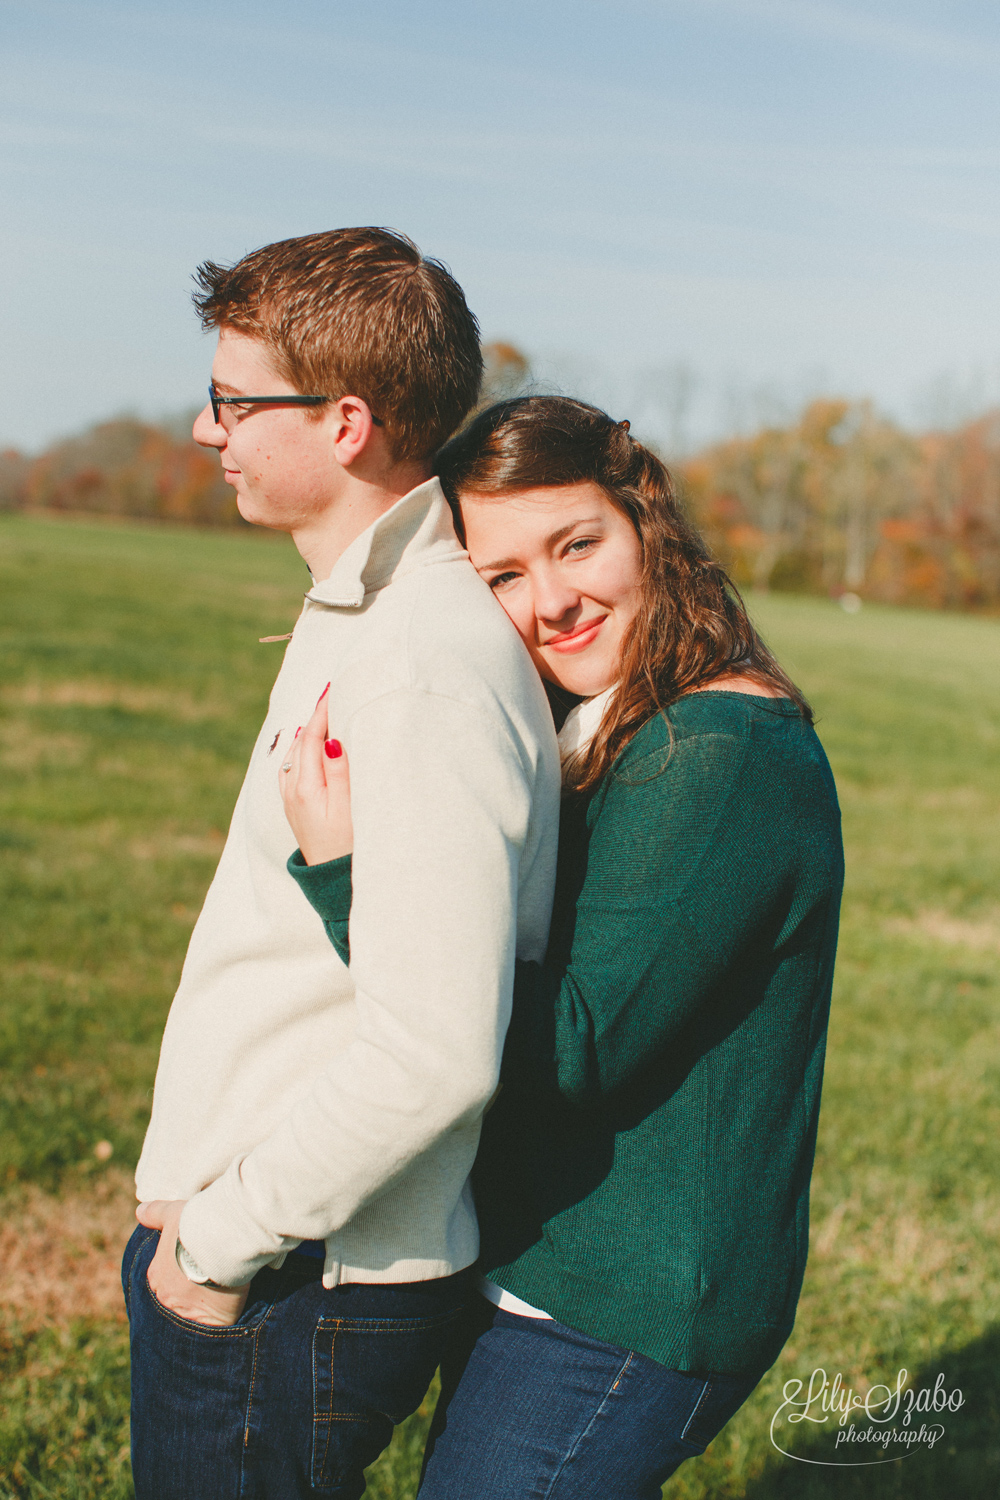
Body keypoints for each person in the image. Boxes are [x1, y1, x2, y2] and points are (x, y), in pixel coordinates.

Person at [280, 396, 844, 1498]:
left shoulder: (717, 752)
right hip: (546, 1264)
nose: (552, 602)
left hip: (621, 1310)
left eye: (577, 544)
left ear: (645, 521)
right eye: (501, 576)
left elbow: (576, 1051)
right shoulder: (630, 720)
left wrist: (353, 880)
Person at [121, 232, 561, 1500]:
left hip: (296, 1278)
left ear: (348, 422)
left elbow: (432, 1050)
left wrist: (214, 1248)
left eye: (232, 401)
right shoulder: (365, 608)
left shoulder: (418, 657)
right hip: (272, 1263)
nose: (208, 431)